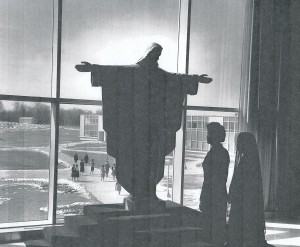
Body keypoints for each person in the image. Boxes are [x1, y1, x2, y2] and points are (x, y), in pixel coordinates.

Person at [76, 43, 212, 202]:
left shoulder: (161, 76)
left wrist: (196, 79)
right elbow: (114, 72)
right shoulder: (132, 72)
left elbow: (177, 78)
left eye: (159, 55)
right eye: (154, 54)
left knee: (153, 163)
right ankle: (139, 194)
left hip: (154, 131)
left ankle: (149, 194)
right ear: (147, 54)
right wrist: (94, 68)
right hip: (134, 131)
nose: (157, 58)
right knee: (133, 161)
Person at [228, 132, 269, 247]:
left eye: (239, 142)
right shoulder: (251, 160)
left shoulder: (246, 161)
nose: (238, 145)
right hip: (248, 203)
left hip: (243, 203)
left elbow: (239, 183)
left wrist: (232, 196)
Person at [199, 122, 229, 247]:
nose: (207, 136)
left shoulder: (218, 153)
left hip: (213, 196)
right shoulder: (219, 152)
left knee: (212, 229)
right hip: (216, 195)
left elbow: (213, 180)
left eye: (209, 133)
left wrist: (205, 197)